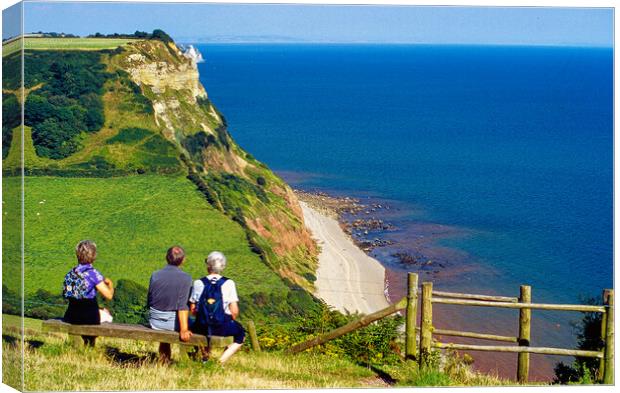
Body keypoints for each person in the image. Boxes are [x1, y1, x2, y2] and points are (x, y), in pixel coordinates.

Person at [190, 251, 245, 364]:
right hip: (221, 326)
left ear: (208, 265)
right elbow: (234, 311)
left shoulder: (198, 283)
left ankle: (205, 357)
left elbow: (193, 310)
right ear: (222, 266)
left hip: (201, 326)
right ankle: (220, 362)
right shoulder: (229, 283)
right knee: (240, 334)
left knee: (197, 325)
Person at [62, 240, 115, 345]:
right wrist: (110, 284)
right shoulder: (93, 274)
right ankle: (90, 345)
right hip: (89, 318)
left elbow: (66, 294)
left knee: (92, 308)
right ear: (94, 256)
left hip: (71, 316)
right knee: (107, 314)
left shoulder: (70, 273)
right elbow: (109, 295)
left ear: (77, 255)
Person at [147, 246, 193, 362]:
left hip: (154, 321)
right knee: (197, 324)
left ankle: (164, 360)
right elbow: (182, 306)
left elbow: (150, 299)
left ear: (166, 258)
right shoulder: (186, 278)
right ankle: (194, 359)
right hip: (172, 324)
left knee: (166, 332)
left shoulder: (155, 274)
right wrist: (183, 329)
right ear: (183, 260)